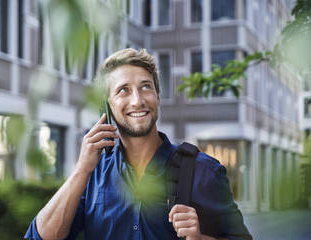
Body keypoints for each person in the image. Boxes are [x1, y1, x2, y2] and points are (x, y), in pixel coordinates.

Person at [25, 48, 252, 240]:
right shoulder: (91, 175)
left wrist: (201, 238)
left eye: (146, 87)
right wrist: (81, 169)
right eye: (124, 90)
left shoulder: (204, 172)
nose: (138, 100)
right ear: (107, 106)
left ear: (158, 96)